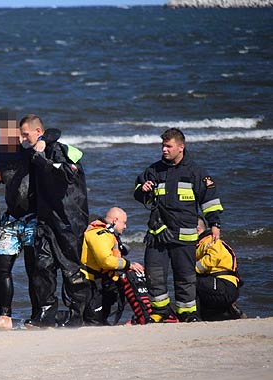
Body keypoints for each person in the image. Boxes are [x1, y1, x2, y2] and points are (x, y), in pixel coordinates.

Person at [134, 127, 224, 323]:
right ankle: (161, 313)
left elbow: (209, 200)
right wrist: (144, 190)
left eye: (168, 146)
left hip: (185, 235)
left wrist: (214, 224)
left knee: (185, 276)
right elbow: (140, 194)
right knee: (154, 275)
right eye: (162, 146)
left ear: (181, 147)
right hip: (157, 234)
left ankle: (187, 314)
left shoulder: (196, 172)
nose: (164, 150)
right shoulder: (153, 170)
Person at [0, 113, 60, 330]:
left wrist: (43, 141)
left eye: (13, 135)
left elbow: (54, 132)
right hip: (11, 217)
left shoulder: (32, 151)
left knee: (33, 268)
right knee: (2, 267)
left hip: (33, 217)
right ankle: (5, 316)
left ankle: (37, 314)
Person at [19, 114, 89, 328]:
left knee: (71, 269)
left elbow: (67, 176)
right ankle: (47, 314)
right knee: (43, 266)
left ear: (38, 132)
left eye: (26, 134)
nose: (23, 139)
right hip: (46, 221)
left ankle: (77, 314)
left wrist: (42, 159)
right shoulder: (33, 150)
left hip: (69, 221)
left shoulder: (61, 150)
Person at [79, 207, 145, 325]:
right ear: (115, 220)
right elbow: (106, 261)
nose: (125, 227)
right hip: (91, 283)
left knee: (102, 316)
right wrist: (128, 264)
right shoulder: (100, 234)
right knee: (93, 320)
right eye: (124, 222)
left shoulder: (107, 234)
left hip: (102, 281)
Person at [195, 217, 245, 321]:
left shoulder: (210, 240)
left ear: (198, 229)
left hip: (224, 285)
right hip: (223, 286)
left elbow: (214, 257)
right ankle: (228, 313)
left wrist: (192, 269)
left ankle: (194, 317)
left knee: (189, 281)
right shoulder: (202, 243)